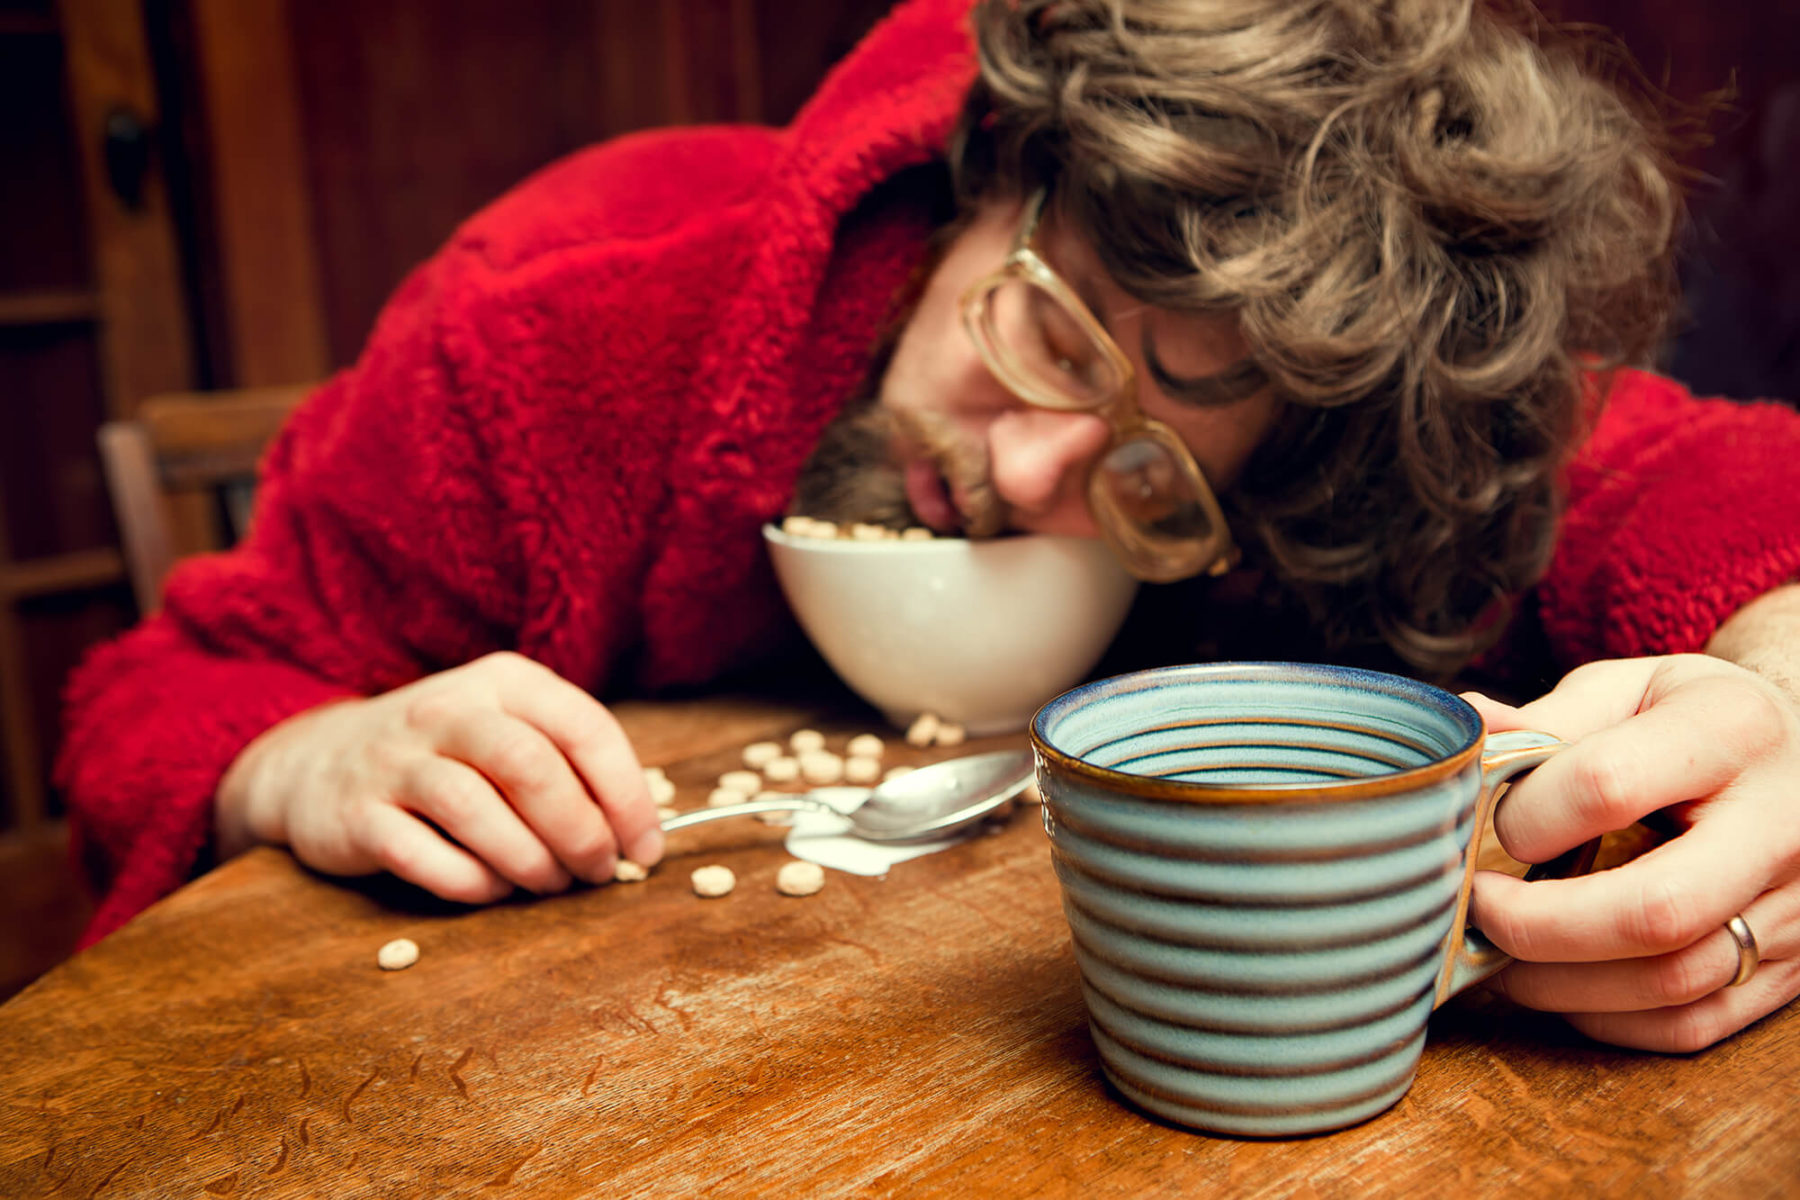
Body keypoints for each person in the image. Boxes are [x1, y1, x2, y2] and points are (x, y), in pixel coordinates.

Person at [59, 0, 1800, 1055]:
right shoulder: (566, 319)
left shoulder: (1317, 469)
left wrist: (1784, 688)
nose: (1036, 475)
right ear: (994, 172)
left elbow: (1701, 491)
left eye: (1150, 468)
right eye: (1045, 333)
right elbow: (171, 686)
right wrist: (307, 758)